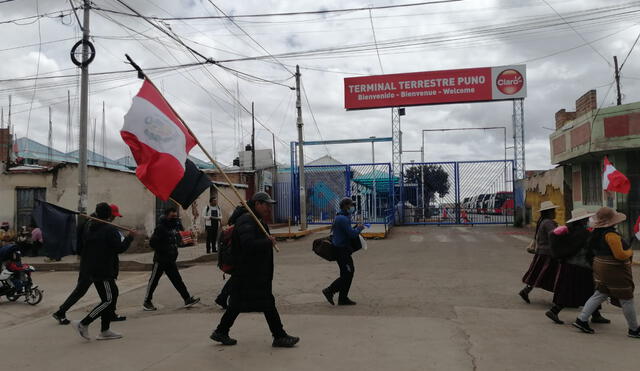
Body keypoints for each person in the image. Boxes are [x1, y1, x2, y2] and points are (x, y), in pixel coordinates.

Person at [210, 192, 299, 347]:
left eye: (270, 205)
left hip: (250, 272)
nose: (269, 208)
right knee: (267, 303)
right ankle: (279, 336)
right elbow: (248, 245)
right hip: (250, 273)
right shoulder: (247, 220)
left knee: (237, 304)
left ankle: (221, 331)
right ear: (257, 204)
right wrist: (267, 242)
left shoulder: (254, 219)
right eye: (266, 205)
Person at [53, 204, 127, 325]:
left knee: (112, 292)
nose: (114, 219)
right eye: (113, 216)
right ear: (108, 215)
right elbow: (93, 244)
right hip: (93, 263)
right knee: (82, 290)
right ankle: (62, 312)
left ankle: (110, 314)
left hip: (97, 262)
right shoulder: (92, 225)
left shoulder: (96, 224)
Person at [572, 207, 640, 338]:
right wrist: (630, 252)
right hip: (613, 268)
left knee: (600, 293)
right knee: (626, 297)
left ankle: (582, 319)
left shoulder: (596, 233)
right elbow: (620, 255)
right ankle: (634, 329)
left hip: (600, 266)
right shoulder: (611, 235)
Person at [71, 202, 135, 341]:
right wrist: (130, 237)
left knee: (112, 295)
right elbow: (119, 248)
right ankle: (83, 323)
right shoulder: (109, 229)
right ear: (109, 215)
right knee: (108, 299)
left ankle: (105, 330)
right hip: (104, 269)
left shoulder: (90, 226)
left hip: (94, 267)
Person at [545, 209, 609, 325]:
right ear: (582, 220)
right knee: (584, 291)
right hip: (580, 266)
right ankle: (554, 310)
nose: (588, 220)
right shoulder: (583, 233)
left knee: (580, 290)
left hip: (571, 265)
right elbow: (589, 249)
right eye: (586, 219)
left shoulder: (571, 231)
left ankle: (596, 314)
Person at [142, 207, 200, 311]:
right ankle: (147, 301)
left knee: (177, 280)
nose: (175, 215)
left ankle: (187, 299)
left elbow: (177, 239)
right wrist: (164, 249)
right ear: (167, 214)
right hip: (160, 260)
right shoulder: (160, 227)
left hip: (170, 259)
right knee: (154, 281)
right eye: (172, 213)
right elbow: (152, 243)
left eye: (175, 213)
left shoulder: (175, 225)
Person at [322, 197, 364, 306]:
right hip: (341, 251)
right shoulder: (342, 219)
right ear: (345, 206)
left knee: (347, 273)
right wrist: (359, 228)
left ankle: (343, 298)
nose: (352, 207)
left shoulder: (343, 217)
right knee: (348, 274)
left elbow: (347, 232)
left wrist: (355, 227)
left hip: (342, 249)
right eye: (351, 205)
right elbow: (352, 234)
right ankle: (329, 290)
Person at [519, 201, 559, 304]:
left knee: (538, 273)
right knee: (553, 274)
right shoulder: (548, 223)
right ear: (549, 212)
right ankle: (560, 297)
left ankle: (526, 290)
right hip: (548, 253)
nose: (555, 212)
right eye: (553, 210)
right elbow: (554, 236)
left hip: (542, 252)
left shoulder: (542, 221)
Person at [214, 205, 247, 309]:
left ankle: (223, 298)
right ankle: (226, 298)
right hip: (232, 261)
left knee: (238, 278)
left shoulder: (232, 227)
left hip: (228, 261)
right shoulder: (236, 229)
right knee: (240, 277)